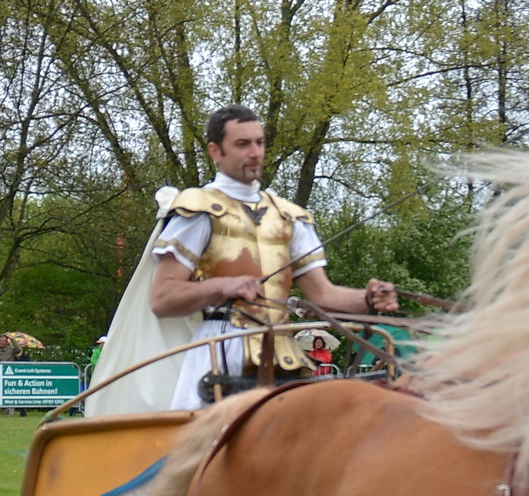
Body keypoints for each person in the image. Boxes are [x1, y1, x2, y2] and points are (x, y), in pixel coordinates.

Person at [88, 104, 398, 415]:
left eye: (259, 143)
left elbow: (323, 295)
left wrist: (367, 299)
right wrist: (222, 285)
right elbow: (163, 298)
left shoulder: (289, 216)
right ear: (215, 151)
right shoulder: (198, 210)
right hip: (220, 355)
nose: (255, 152)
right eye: (242, 144)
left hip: (283, 353)